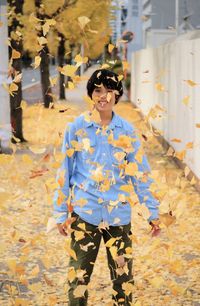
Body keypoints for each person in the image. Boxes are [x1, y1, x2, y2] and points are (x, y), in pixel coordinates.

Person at [53, 69, 160, 306]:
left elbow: (140, 176)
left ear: (117, 95)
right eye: (98, 90)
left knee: (123, 281)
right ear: (91, 93)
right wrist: (60, 213)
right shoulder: (76, 128)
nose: (103, 96)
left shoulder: (128, 132)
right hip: (85, 214)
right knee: (78, 279)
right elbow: (64, 171)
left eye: (109, 91)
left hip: (118, 218)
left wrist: (153, 213)